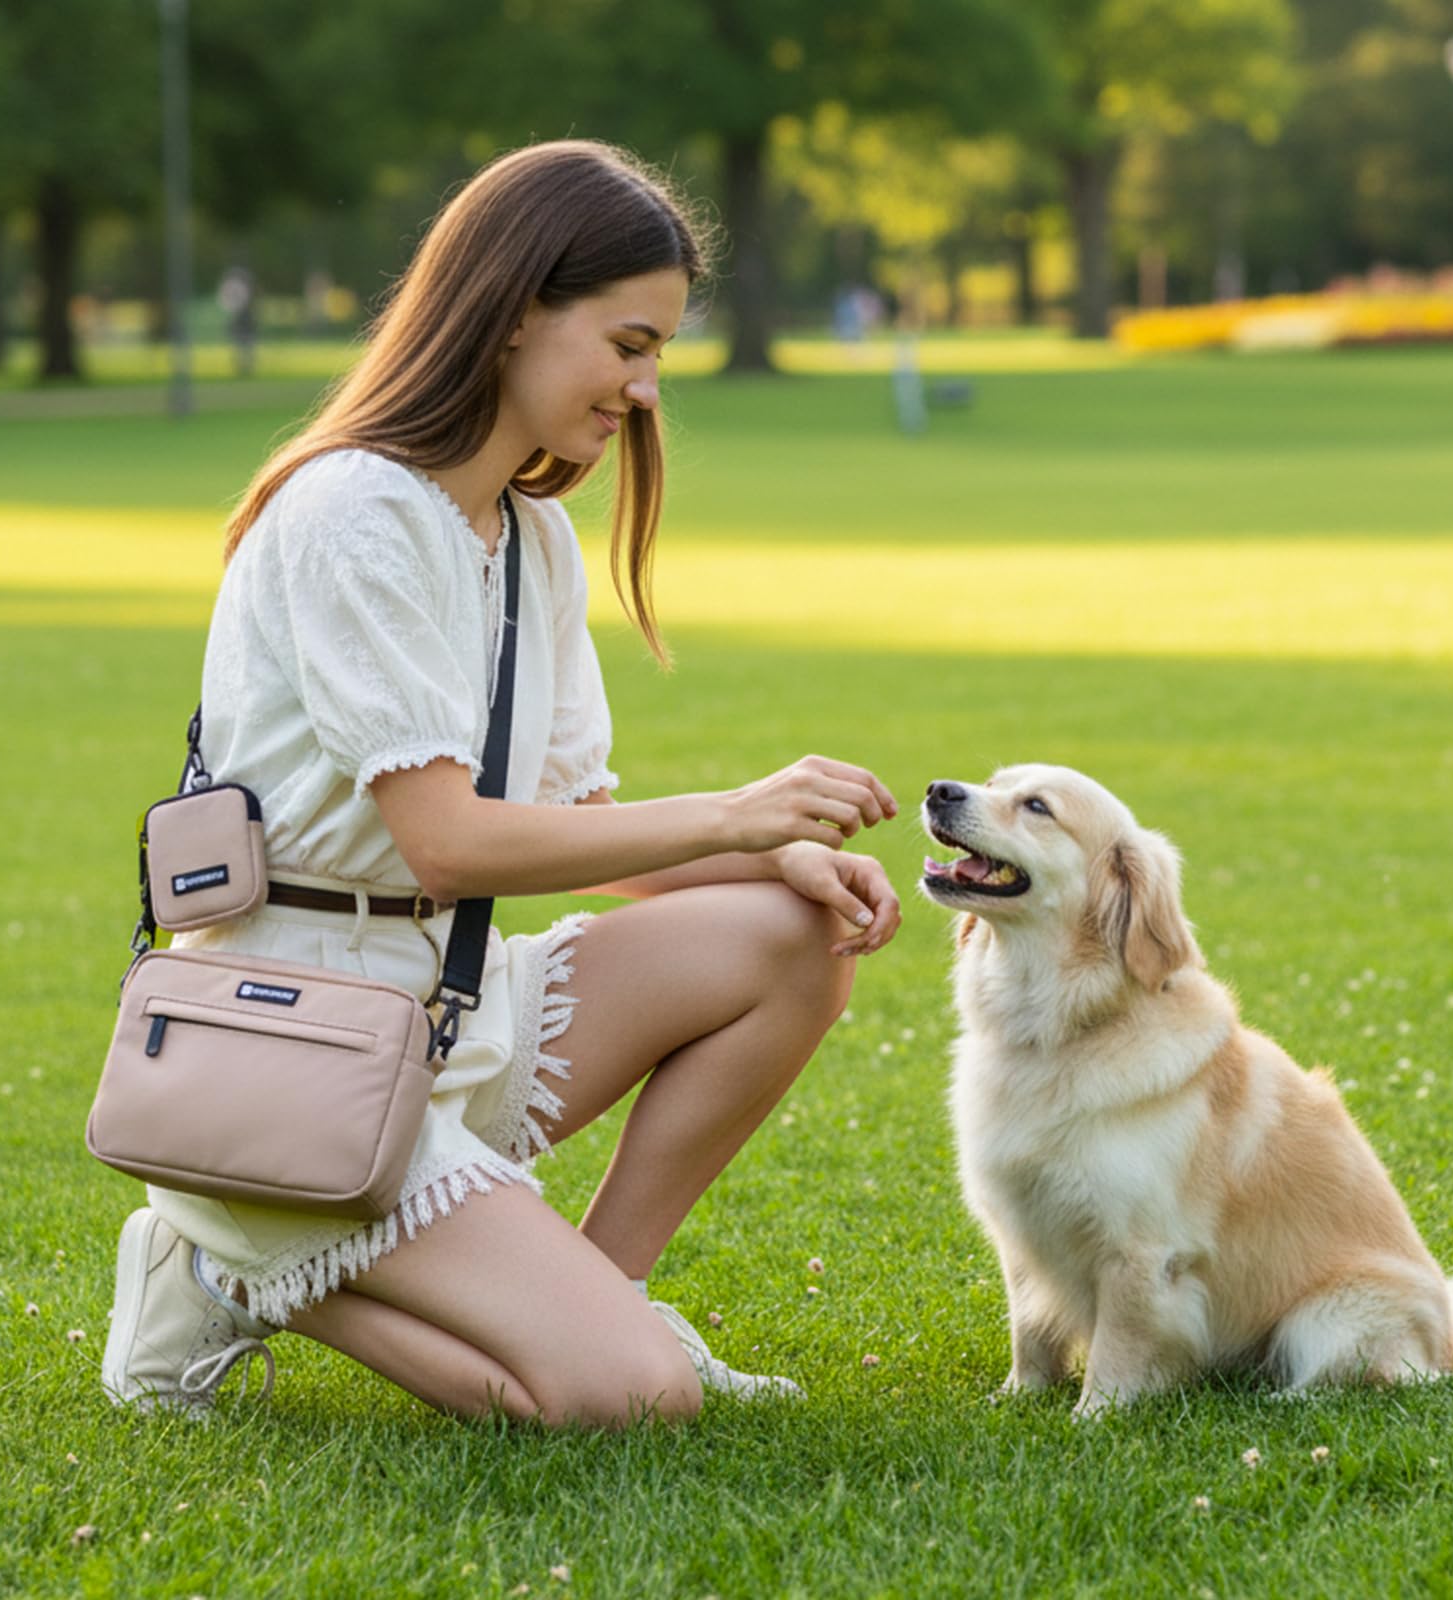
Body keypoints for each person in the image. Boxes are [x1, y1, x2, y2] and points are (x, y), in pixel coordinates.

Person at [100, 141, 902, 1429]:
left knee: (794, 933)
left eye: (660, 359)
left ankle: (603, 1294)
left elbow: (580, 827)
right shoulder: (354, 510)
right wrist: (737, 810)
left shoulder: (528, 539)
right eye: (628, 345)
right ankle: (220, 1263)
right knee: (627, 1405)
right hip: (284, 1055)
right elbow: (448, 846)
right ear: (519, 307)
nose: (645, 392)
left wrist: (773, 860)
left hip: (440, 1015)